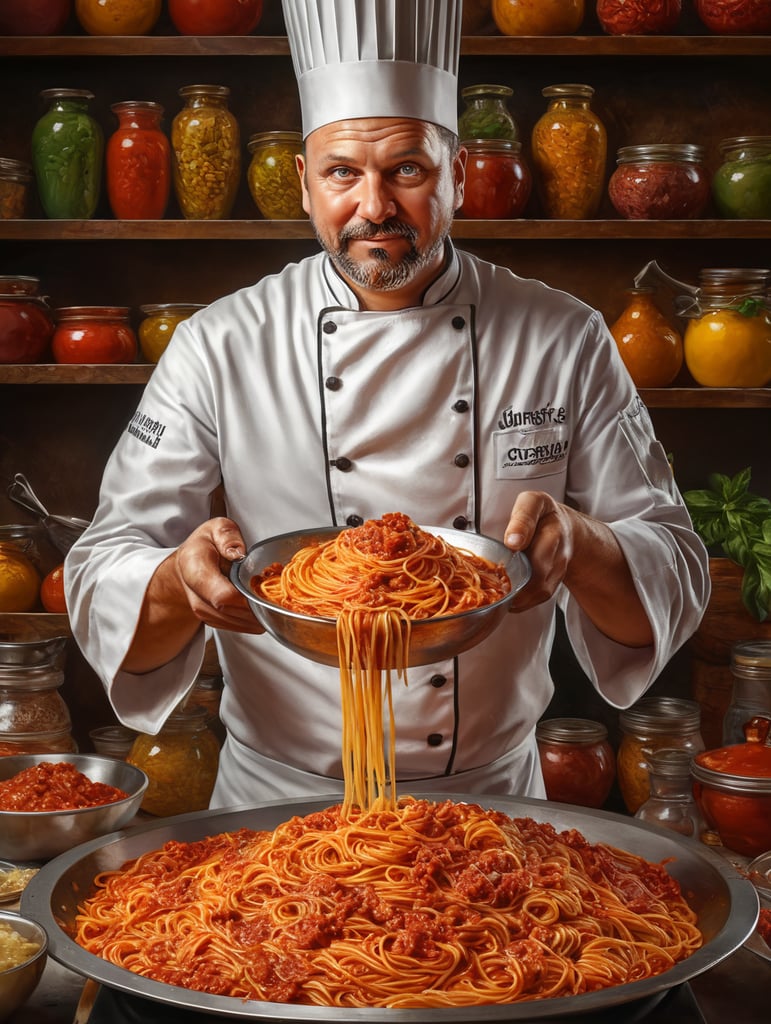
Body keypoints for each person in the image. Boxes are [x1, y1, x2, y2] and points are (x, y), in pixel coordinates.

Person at [65, 0, 710, 807]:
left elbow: (672, 564)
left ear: (459, 175)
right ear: (304, 184)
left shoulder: (561, 335)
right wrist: (175, 582)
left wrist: (581, 544)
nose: (374, 206)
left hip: (493, 807)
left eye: (407, 169)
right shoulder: (219, 343)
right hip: (273, 807)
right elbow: (103, 565)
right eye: (342, 172)